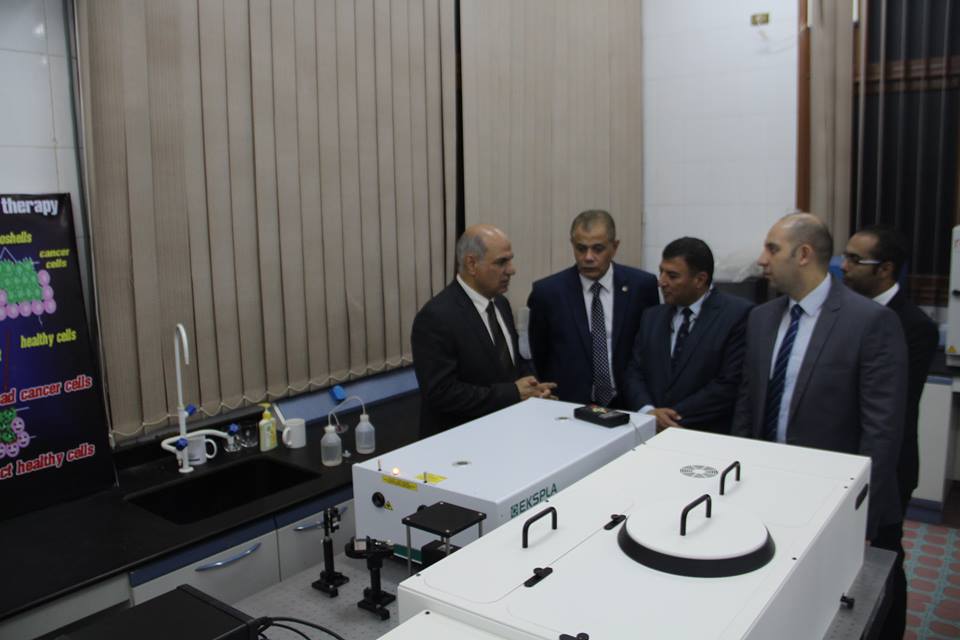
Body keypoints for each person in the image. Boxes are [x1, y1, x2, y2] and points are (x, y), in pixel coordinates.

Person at [731, 212, 906, 543]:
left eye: (772, 249)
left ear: (803, 254)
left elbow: (881, 431)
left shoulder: (870, 322)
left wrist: (861, 513)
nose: (762, 260)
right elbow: (746, 402)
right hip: (763, 483)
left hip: (828, 492)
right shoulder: (760, 318)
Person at [841, 225, 938, 640]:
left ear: (886, 269)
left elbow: (889, 408)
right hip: (849, 459)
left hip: (890, 465)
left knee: (884, 560)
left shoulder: (914, 325)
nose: (843, 267)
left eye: (854, 259)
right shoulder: (847, 313)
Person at [412, 224, 556, 438]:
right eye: (501, 262)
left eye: (510, 260)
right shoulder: (436, 317)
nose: (512, 270)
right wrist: (513, 393)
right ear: (472, 264)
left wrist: (533, 387)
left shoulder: (501, 304)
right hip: (460, 442)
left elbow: (511, 363)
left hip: (508, 432)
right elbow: (441, 392)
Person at [527, 210, 658, 407]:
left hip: (629, 403)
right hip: (570, 406)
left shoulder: (642, 286)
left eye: (598, 249)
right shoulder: (548, 292)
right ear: (572, 245)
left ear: (614, 247)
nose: (588, 257)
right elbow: (540, 353)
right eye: (581, 249)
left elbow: (649, 347)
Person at [621, 237, 752, 433]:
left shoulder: (737, 315)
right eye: (661, 272)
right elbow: (634, 371)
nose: (661, 282)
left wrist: (670, 417)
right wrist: (649, 412)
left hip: (703, 434)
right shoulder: (652, 317)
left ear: (700, 280)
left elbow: (728, 384)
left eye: (672, 276)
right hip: (651, 431)